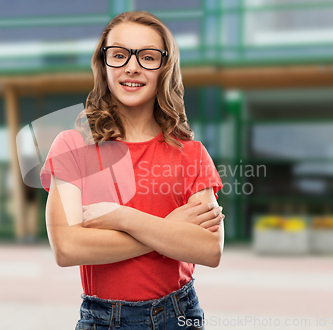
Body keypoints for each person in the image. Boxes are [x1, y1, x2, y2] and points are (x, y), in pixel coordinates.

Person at [40, 11, 224, 330]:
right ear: (104, 64)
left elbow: (208, 249)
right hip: (102, 319)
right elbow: (67, 248)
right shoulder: (73, 146)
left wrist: (124, 218)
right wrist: (169, 229)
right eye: (119, 54)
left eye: (148, 57)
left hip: (178, 315)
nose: (132, 66)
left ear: (164, 68)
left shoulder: (191, 154)